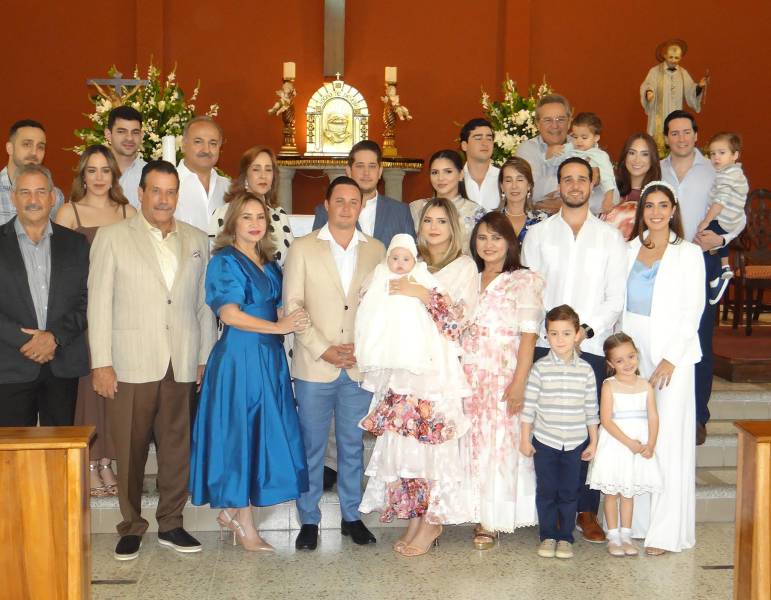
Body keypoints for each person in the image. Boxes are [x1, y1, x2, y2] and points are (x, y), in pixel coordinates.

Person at [88, 160, 217, 561]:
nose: (163, 199)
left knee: (177, 447)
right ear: (140, 193)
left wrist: (202, 356)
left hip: (179, 359)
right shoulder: (112, 237)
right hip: (130, 362)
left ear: (178, 195)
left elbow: (202, 305)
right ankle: (130, 525)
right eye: (156, 191)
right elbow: (98, 304)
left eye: (171, 191)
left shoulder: (196, 239)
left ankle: (172, 523)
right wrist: (102, 363)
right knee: (130, 448)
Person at [190, 192, 310, 552]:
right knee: (240, 438)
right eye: (247, 217)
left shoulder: (269, 262)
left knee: (260, 436)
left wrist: (295, 317)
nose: (256, 223)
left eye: (261, 217)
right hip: (239, 359)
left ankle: (233, 512)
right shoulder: (224, 261)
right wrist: (280, 326)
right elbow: (228, 315)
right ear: (232, 224)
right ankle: (245, 524)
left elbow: (278, 308)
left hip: (268, 359)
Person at [521, 156, 627, 542]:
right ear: (559, 185)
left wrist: (584, 330)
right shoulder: (539, 235)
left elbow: (615, 297)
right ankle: (548, 510)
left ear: (592, 183)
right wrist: (551, 335)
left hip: (593, 346)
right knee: (548, 431)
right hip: (547, 348)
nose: (575, 185)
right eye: (568, 179)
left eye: (582, 179)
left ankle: (586, 509)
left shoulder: (609, 237)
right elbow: (531, 294)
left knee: (588, 429)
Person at [283, 176, 385, 551]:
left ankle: (351, 516)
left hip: (358, 364)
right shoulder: (304, 248)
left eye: (353, 201)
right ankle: (308, 519)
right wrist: (323, 348)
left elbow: (382, 309)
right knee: (310, 446)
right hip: (315, 365)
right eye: (339, 200)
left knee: (351, 445)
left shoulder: (376, 250)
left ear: (361, 206)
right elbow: (292, 305)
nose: (346, 207)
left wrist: (364, 346)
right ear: (326, 204)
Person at [357, 234, 471, 556]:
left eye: (441, 221)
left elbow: (453, 326)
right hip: (400, 379)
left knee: (429, 450)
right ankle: (417, 517)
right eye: (428, 221)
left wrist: (423, 294)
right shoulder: (385, 278)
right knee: (406, 450)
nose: (434, 227)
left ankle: (431, 520)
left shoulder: (433, 277)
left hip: (431, 381)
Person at [621, 181, 704, 554]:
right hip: (634, 353)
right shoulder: (628, 250)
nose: (655, 212)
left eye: (663, 205)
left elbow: (693, 310)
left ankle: (667, 532)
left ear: (673, 210)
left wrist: (671, 356)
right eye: (649, 205)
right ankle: (638, 522)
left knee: (668, 439)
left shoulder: (688, 253)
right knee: (639, 435)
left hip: (674, 355)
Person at [55, 145, 137, 496]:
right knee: (90, 389)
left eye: (106, 170)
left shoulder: (128, 212)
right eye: (93, 170)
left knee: (114, 389)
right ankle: (90, 461)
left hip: (121, 312)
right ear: (82, 175)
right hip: (83, 312)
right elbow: (60, 271)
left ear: (114, 176)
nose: (100, 177)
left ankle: (108, 462)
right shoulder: (69, 212)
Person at [461, 212, 544, 549]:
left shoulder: (524, 280)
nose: (489, 244)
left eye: (496, 237)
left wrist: (519, 382)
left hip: (503, 375)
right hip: (468, 377)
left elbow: (529, 337)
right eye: (482, 237)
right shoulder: (469, 277)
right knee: (473, 444)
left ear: (510, 241)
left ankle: (492, 519)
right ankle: (472, 509)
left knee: (499, 446)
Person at [660, 110, 741, 444]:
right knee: (663, 335)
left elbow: (739, 212)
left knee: (699, 339)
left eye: (686, 132)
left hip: (702, 260)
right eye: (673, 133)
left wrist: (722, 240)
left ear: (696, 135)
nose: (680, 138)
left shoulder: (717, 169)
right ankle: (663, 411)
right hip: (662, 261)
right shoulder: (657, 168)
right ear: (666, 138)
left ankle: (697, 417)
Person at [0, 164, 89, 426]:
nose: (33, 200)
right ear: (13, 197)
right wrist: (27, 341)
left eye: (40, 192)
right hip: (11, 364)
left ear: (52, 198)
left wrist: (54, 337)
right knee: (12, 458)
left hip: (63, 362)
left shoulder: (75, 243)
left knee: (61, 454)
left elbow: (87, 300)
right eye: (25, 192)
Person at [520, 304, 599, 560]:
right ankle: (547, 536)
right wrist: (525, 437)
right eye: (554, 333)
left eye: (566, 333)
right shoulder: (540, 368)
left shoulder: (586, 370)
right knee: (546, 491)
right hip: (545, 441)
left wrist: (593, 442)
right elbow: (529, 407)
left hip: (575, 442)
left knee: (569, 492)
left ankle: (565, 537)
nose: (560, 339)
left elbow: (591, 409)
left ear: (577, 334)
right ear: (546, 335)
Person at [587, 332, 663, 557]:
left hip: (639, 445)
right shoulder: (609, 385)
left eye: (631, 357)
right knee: (612, 492)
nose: (627, 364)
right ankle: (613, 535)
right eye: (619, 360)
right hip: (616, 443)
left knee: (628, 493)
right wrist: (629, 442)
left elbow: (653, 416)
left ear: (637, 356)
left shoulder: (646, 386)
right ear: (610, 364)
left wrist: (651, 443)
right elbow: (607, 420)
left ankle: (627, 535)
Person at [313, 140, 415, 247]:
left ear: (380, 172)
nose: (366, 173)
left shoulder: (401, 212)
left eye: (372, 166)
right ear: (349, 171)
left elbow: (412, 255)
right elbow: (318, 252)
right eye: (360, 166)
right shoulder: (326, 211)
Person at [210, 146, 294, 266]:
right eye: (256, 169)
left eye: (268, 170)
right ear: (245, 175)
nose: (263, 176)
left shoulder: (279, 215)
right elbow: (216, 262)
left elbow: (291, 261)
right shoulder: (225, 213)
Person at [697, 132, 749, 303]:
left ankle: (718, 276)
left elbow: (720, 201)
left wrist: (706, 220)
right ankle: (724, 267)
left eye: (722, 153)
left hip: (725, 218)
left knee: (704, 241)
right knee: (712, 243)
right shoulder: (734, 172)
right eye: (712, 153)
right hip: (730, 219)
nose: (716, 157)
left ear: (735, 155)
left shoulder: (728, 174)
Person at [410, 150, 485, 254]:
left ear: (461, 174)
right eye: (435, 172)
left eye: (448, 172)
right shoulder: (415, 208)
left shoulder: (475, 212)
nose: (440, 178)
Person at [640, 39, 708, 148]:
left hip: (676, 114)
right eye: (671, 57)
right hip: (659, 117)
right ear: (665, 55)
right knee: (658, 144)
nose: (673, 60)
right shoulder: (655, 71)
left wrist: (699, 87)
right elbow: (647, 85)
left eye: (677, 58)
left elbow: (690, 90)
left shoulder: (682, 73)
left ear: (681, 57)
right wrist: (649, 92)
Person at [546, 112, 617, 215]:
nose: (579, 141)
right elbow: (552, 163)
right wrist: (551, 153)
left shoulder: (600, 156)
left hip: (590, 195)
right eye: (575, 137)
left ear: (596, 138)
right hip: (565, 190)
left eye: (584, 138)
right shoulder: (569, 148)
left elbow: (608, 177)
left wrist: (608, 197)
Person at [1, 120, 65, 224]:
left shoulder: (55, 196)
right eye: (26, 144)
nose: (34, 153)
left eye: (40, 147)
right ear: (10, 148)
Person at [174, 116, 229, 232]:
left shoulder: (229, 188)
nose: (206, 150)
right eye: (198, 142)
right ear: (183, 145)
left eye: (213, 143)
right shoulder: (168, 186)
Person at [602, 133, 661, 240]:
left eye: (644, 154)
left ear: (653, 159)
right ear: (625, 156)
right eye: (632, 153)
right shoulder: (609, 189)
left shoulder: (659, 196)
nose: (637, 160)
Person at [497, 156, 548, 242]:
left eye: (520, 180)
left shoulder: (543, 220)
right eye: (508, 180)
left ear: (529, 185)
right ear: (502, 186)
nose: (514, 186)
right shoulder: (491, 220)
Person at [105, 106, 146, 209]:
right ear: (108, 134)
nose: (129, 138)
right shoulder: (93, 172)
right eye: (121, 131)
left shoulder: (151, 173)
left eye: (135, 132)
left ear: (141, 135)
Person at [460, 118, 500, 211]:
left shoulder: (504, 178)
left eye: (489, 139)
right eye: (478, 138)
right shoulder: (454, 179)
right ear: (464, 145)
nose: (485, 143)